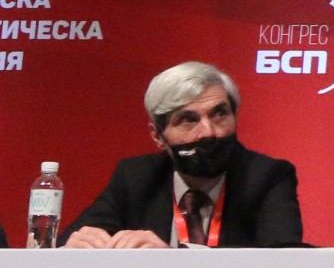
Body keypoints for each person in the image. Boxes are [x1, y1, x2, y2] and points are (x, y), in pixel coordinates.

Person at [64, 62, 303, 248]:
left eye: (219, 114)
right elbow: (68, 241)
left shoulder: (267, 177)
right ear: (157, 136)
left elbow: (282, 260)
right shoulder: (136, 177)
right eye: (189, 120)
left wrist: (173, 258)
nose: (208, 132)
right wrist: (78, 245)